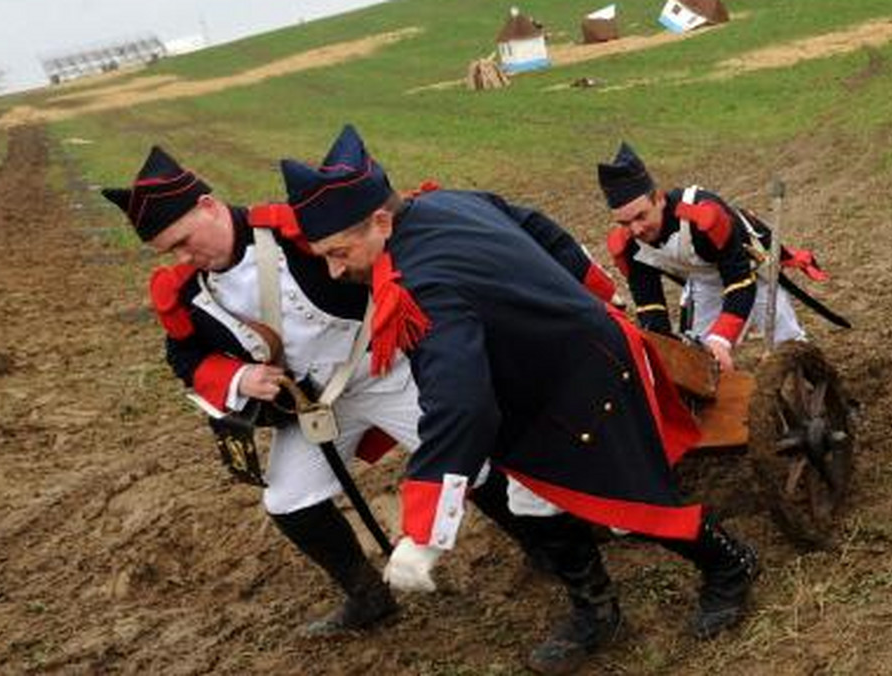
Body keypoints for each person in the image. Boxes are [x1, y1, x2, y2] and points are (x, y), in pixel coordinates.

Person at [279, 125, 762, 675]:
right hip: (536, 382)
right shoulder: (442, 204)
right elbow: (538, 226)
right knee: (533, 501)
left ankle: (729, 565)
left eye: (339, 252)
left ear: (382, 222)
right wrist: (593, 290)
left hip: (583, 378)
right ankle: (596, 609)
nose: (336, 270)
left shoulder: (420, 281)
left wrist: (425, 532)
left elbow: (460, 402)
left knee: (631, 503)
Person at [101, 147, 423, 636]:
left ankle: (561, 563)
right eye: (172, 251)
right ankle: (367, 595)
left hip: (386, 369)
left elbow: (387, 242)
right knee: (288, 500)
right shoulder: (186, 290)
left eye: (185, 241)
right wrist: (238, 378)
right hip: (317, 405)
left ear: (208, 206)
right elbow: (184, 357)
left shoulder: (296, 227)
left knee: (472, 459)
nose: (185, 257)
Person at [597, 141, 816, 372]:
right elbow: (650, 304)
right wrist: (661, 348)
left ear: (659, 199)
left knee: (788, 344)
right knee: (699, 360)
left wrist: (721, 340)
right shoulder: (628, 244)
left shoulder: (703, 216)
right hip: (705, 281)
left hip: (752, 273)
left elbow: (740, 282)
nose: (636, 230)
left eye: (641, 216)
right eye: (624, 222)